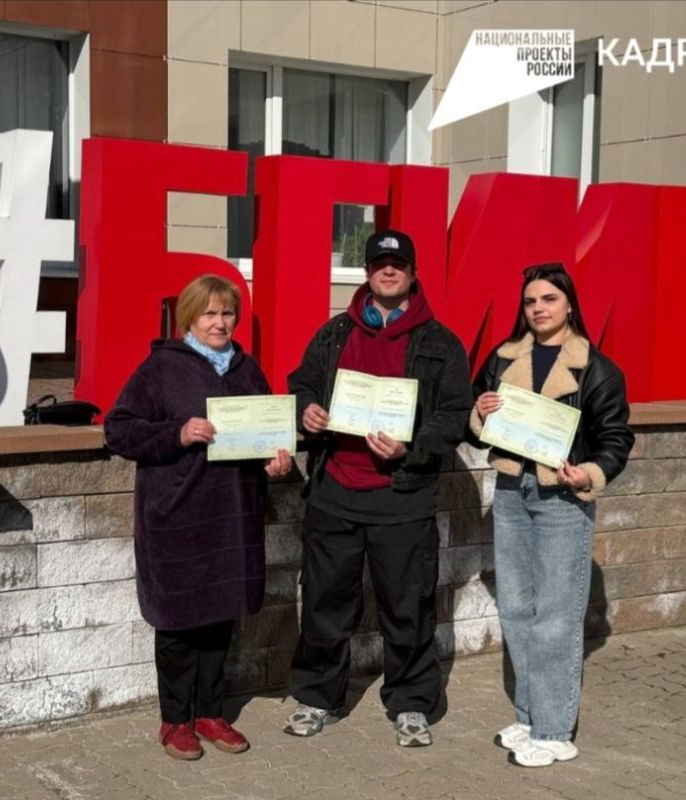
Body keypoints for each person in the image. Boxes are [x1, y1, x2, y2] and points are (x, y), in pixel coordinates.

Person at [283, 229, 473, 747]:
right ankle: (318, 696)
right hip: (334, 493)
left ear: (412, 273)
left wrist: (409, 450)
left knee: (408, 607)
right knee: (324, 604)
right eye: (379, 263)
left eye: (398, 263)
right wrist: (308, 409)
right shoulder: (333, 334)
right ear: (367, 272)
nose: (388, 270)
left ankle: (412, 703)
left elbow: (454, 415)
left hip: (402, 495)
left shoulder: (440, 342)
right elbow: (300, 383)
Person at [105, 274, 291, 761]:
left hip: (233, 515)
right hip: (178, 516)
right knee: (178, 623)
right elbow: (119, 430)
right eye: (209, 313)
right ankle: (175, 720)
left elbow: (268, 432)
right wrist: (178, 433)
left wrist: (279, 458)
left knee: (219, 619)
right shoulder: (162, 368)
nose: (219, 322)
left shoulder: (247, 369)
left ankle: (211, 712)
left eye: (227, 313)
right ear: (190, 317)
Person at [469, 262, 634, 767]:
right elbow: (472, 424)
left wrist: (588, 473)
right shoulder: (501, 359)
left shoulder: (597, 369)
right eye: (530, 301)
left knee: (557, 617)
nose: (538, 309)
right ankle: (529, 715)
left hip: (563, 498)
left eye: (548, 300)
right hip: (513, 493)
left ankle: (556, 729)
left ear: (569, 305)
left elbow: (616, 439)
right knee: (518, 610)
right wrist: (482, 411)